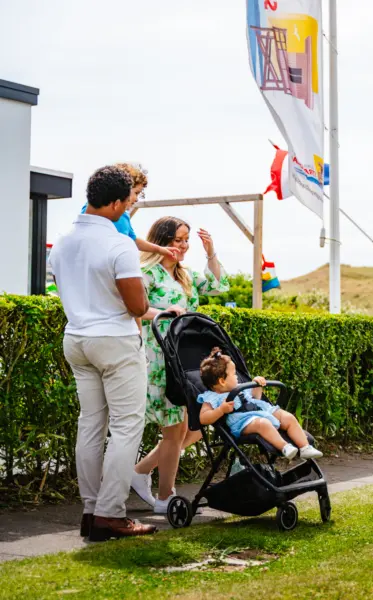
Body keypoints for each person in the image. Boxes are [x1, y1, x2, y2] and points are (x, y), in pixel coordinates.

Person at [49, 165, 156, 541]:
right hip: (114, 341)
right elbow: (138, 307)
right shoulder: (118, 243)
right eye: (127, 203)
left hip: (76, 338)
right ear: (113, 203)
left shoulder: (62, 240)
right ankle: (111, 514)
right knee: (127, 426)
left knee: (91, 424)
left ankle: (91, 510)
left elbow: (64, 288)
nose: (129, 209)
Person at [130, 216, 230, 514]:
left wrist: (210, 251)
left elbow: (218, 285)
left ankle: (140, 472)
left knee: (200, 422)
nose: (183, 246)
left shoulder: (184, 275)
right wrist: (164, 312)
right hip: (159, 359)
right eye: (177, 240)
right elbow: (133, 308)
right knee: (175, 429)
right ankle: (165, 499)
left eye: (186, 240)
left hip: (186, 359)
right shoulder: (146, 273)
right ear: (161, 242)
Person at [197, 347, 323, 460]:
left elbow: (256, 397)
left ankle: (305, 447)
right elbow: (203, 418)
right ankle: (285, 447)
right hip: (243, 421)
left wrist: (257, 384)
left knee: (288, 417)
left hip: (261, 410)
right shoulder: (212, 397)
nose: (237, 377)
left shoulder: (241, 387)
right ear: (222, 381)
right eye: (234, 374)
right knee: (263, 424)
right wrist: (221, 410)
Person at [78, 163, 177, 261]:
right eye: (136, 193)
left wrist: (159, 249)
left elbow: (133, 240)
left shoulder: (123, 216)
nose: (136, 199)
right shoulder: (94, 208)